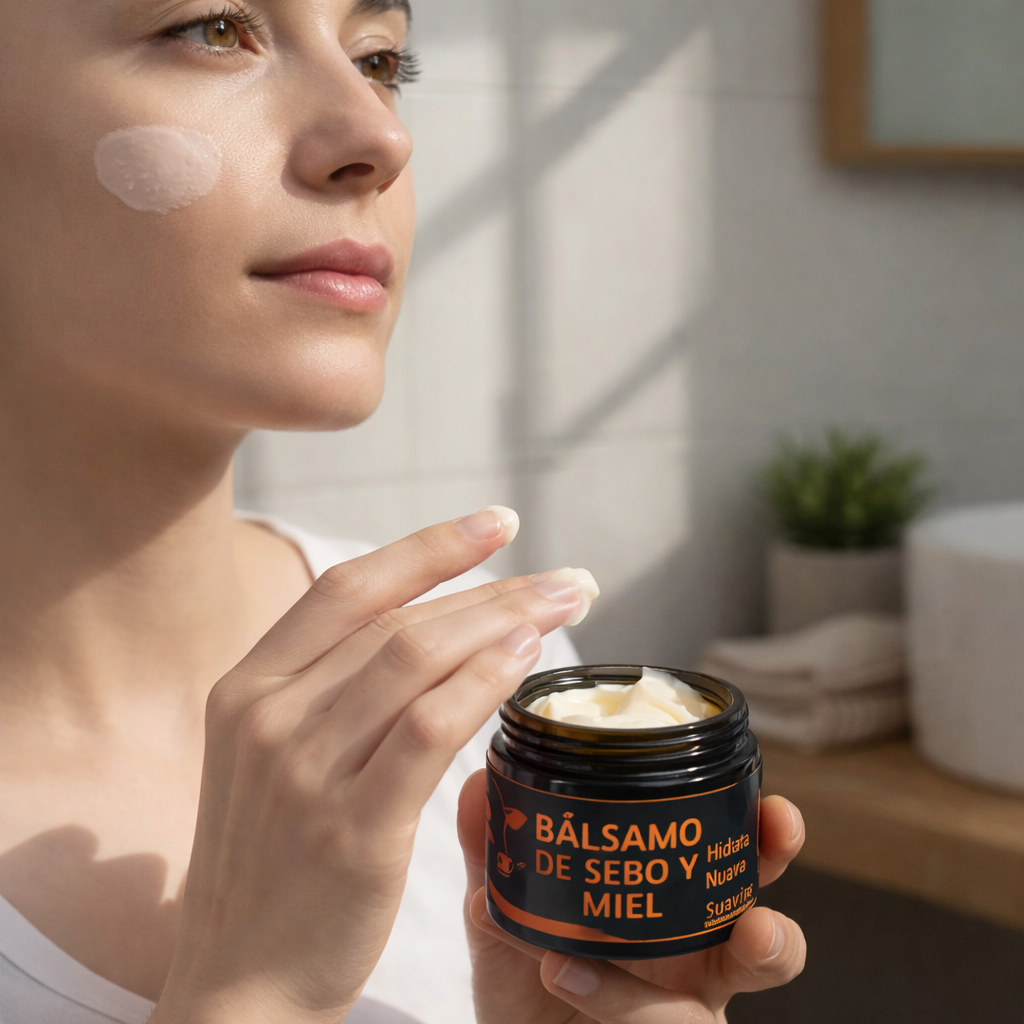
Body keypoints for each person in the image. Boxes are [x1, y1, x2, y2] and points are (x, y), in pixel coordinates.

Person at [0, 1, 807, 1022]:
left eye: (379, 57)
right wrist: (249, 996)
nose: (380, 136)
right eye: (214, 28)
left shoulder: (470, 683)